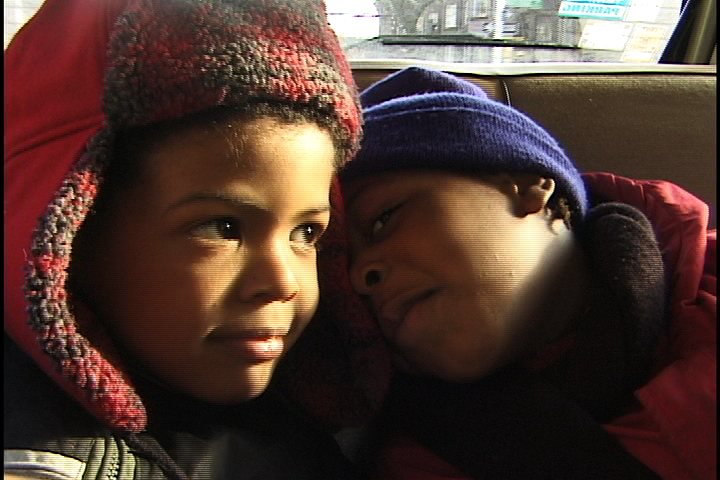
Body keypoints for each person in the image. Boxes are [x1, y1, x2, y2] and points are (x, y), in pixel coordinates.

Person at [4, 0, 367, 478]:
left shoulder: (308, 419)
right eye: (222, 228)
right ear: (68, 237)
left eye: (306, 233)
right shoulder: (42, 462)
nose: (283, 282)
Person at [337, 67, 716, 480]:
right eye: (339, 265)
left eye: (382, 220)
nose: (359, 276)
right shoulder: (414, 459)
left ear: (527, 185)